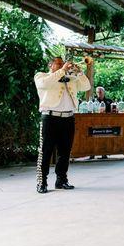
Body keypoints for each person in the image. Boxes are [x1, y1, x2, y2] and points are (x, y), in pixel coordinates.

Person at [34, 57, 90, 193]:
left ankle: (61, 180)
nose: (62, 65)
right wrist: (62, 70)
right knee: (45, 151)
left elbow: (86, 86)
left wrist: (80, 72)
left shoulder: (71, 78)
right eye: (59, 63)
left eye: (63, 63)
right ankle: (42, 182)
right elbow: (44, 85)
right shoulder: (42, 76)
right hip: (50, 117)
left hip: (68, 118)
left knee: (65, 152)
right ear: (50, 65)